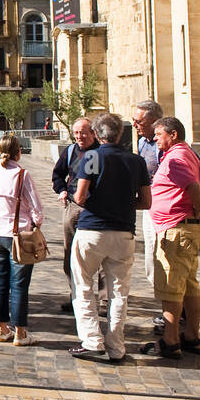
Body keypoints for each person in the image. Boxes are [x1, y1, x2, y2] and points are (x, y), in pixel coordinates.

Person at [68, 113, 152, 363]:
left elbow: (80, 197)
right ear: (119, 134)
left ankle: (92, 339)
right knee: (119, 292)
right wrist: (123, 204)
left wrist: (90, 201)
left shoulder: (92, 156)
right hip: (124, 231)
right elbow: (146, 201)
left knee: (83, 286)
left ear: (97, 133)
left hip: (92, 229)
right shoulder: (136, 161)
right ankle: (116, 346)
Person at [143, 116, 200, 359]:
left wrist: (197, 209)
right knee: (189, 285)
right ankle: (191, 336)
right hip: (186, 230)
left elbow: (194, 187)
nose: (155, 138)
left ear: (173, 134)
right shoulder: (186, 153)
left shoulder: (177, 157)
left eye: (158, 134)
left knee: (171, 287)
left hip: (177, 230)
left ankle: (170, 340)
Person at [0, 134, 44, 347]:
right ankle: (20, 332)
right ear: (18, 152)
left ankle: (2, 328)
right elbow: (36, 207)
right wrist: (36, 224)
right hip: (18, 235)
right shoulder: (22, 175)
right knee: (19, 285)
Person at [51, 116, 97, 313]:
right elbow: (57, 175)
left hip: (95, 207)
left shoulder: (100, 152)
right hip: (73, 206)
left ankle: (102, 301)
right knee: (70, 252)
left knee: (98, 255)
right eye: (76, 133)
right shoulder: (70, 151)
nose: (79, 136)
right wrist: (61, 190)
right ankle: (75, 295)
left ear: (93, 133)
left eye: (83, 133)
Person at [130, 99, 164, 282]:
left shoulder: (165, 144)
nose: (134, 125)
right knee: (150, 246)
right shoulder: (143, 142)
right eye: (134, 120)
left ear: (155, 121)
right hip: (149, 204)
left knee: (162, 248)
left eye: (139, 122)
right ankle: (158, 289)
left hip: (165, 206)